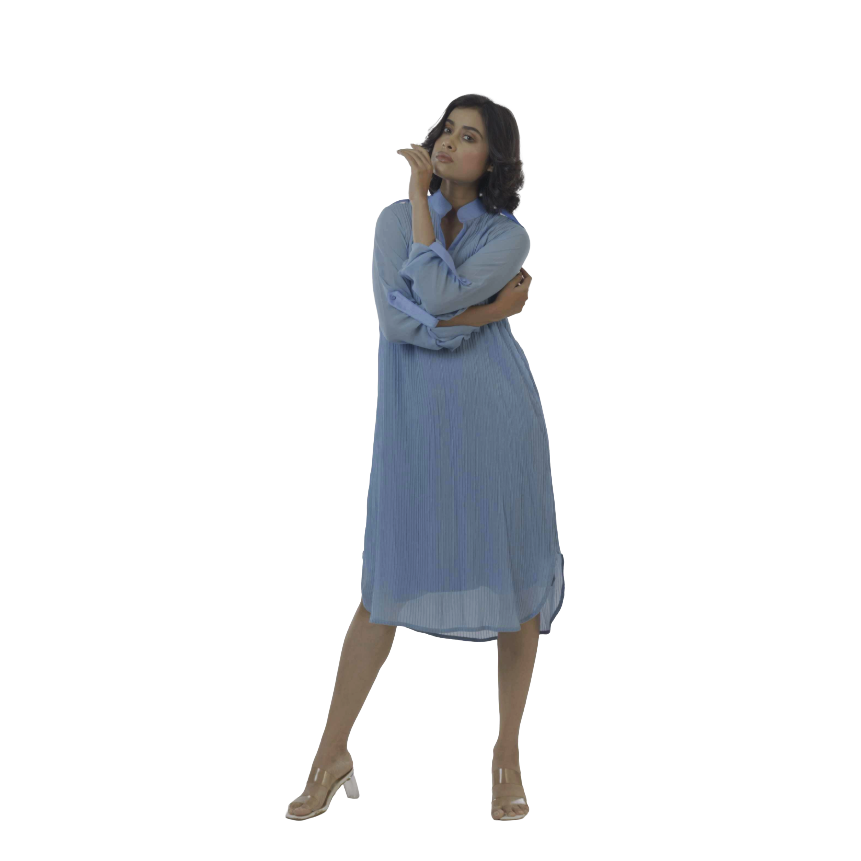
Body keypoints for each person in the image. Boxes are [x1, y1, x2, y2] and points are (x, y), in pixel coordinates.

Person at [286, 95, 564, 822]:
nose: (447, 143)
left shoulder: (508, 238)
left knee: (515, 584)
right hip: (415, 427)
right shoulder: (393, 220)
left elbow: (430, 299)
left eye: (468, 136)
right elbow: (400, 322)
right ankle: (330, 752)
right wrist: (487, 310)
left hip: (497, 421)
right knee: (384, 585)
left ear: (493, 159)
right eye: (445, 129)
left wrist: (446, 312)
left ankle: (507, 753)